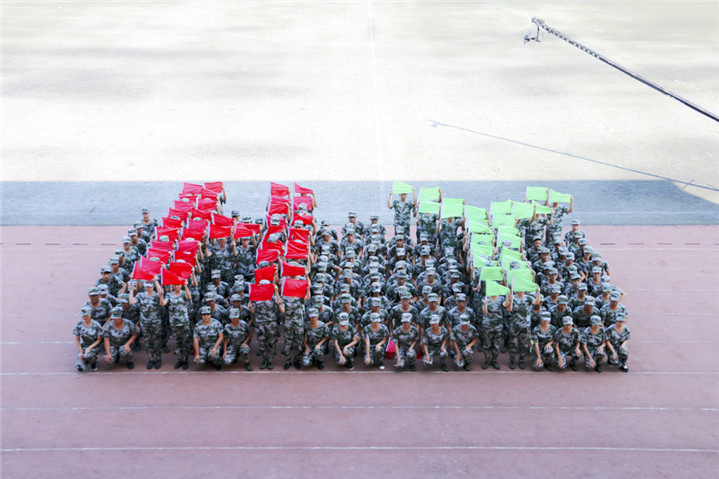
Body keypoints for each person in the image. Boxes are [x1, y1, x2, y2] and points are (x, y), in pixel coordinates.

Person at [129, 279, 164, 369]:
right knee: (148, 342)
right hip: (145, 323)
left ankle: (158, 359)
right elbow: (131, 301)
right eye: (146, 286)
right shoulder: (140, 295)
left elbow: (161, 293)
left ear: (153, 287)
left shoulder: (156, 295)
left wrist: (156, 281)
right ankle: (151, 359)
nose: (147, 288)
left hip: (155, 323)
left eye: (149, 286)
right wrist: (131, 290)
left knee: (157, 342)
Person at [250, 281, 284, 370]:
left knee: (271, 343)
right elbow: (253, 311)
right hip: (260, 324)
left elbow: (281, 307)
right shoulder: (256, 297)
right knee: (262, 343)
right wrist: (251, 304)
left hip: (271, 323)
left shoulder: (273, 297)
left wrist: (276, 291)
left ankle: (270, 360)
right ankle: (264, 360)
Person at [165, 281, 192, 370]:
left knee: (185, 342)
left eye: (177, 285)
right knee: (177, 342)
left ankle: (185, 360)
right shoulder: (169, 294)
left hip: (184, 322)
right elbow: (163, 303)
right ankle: (180, 359)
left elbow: (188, 297)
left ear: (180, 285)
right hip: (174, 323)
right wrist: (161, 295)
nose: (176, 286)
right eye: (174, 285)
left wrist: (186, 286)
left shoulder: (184, 293)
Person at [481, 292, 511, 369]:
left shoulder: (501, 298)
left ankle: (494, 360)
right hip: (487, 326)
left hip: (498, 326)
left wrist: (507, 296)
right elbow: (484, 312)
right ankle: (487, 360)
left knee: (496, 345)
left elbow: (506, 305)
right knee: (487, 345)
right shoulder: (485, 298)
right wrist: (485, 304)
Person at [193, 305, 224, 370]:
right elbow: (195, 339)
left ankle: (217, 363)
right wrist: (197, 354)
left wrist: (215, 348)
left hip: (214, 345)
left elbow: (221, 336)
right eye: (204, 315)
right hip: (203, 345)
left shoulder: (216, 323)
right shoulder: (198, 325)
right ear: (201, 315)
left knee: (214, 355)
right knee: (198, 362)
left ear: (211, 315)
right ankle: (206, 358)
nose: (206, 316)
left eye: (208, 314)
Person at [73, 306, 104, 372]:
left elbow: (99, 340)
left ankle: (93, 362)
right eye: (83, 316)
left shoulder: (96, 325)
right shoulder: (79, 325)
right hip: (84, 345)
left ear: (90, 315)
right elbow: (77, 340)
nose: (85, 317)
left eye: (86, 316)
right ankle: (84, 362)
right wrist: (81, 352)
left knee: (87, 356)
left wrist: (89, 348)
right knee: (79, 366)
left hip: (95, 346)